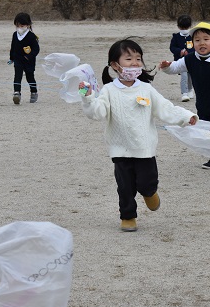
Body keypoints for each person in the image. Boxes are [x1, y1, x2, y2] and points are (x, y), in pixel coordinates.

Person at [80, 39, 198, 232]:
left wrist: (186, 116)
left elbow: (165, 108)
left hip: (144, 148)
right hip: (120, 149)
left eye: (138, 58)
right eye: (129, 59)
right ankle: (128, 216)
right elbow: (98, 113)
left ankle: (150, 192)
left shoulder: (146, 88)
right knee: (124, 187)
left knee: (147, 182)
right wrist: (87, 98)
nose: (135, 63)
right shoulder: (109, 90)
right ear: (114, 65)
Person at [159, 22, 210, 169]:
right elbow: (174, 67)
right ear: (192, 43)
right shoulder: (189, 59)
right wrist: (166, 67)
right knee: (206, 132)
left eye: (206, 39)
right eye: (197, 40)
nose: (202, 43)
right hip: (203, 105)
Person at [9, 12, 40, 104]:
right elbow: (13, 47)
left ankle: (33, 92)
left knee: (30, 77)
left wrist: (29, 56)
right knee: (17, 76)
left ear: (28, 25)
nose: (20, 27)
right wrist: (11, 58)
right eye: (18, 25)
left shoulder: (31, 36)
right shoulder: (15, 35)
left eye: (22, 25)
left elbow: (36, 49)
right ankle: (16, 93)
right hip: (18, 60)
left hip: (29, 61)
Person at [169, 14, 195, 102]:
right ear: (179, 27)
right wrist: (179, 51)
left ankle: (190, 90)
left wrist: (190, 52)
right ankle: (184, 93)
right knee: (184, 75)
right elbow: (172, 47)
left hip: (191, 60)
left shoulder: (192, 36)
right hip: (181, 60)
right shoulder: (176, 37)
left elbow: (195, 47)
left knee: (190, 76)